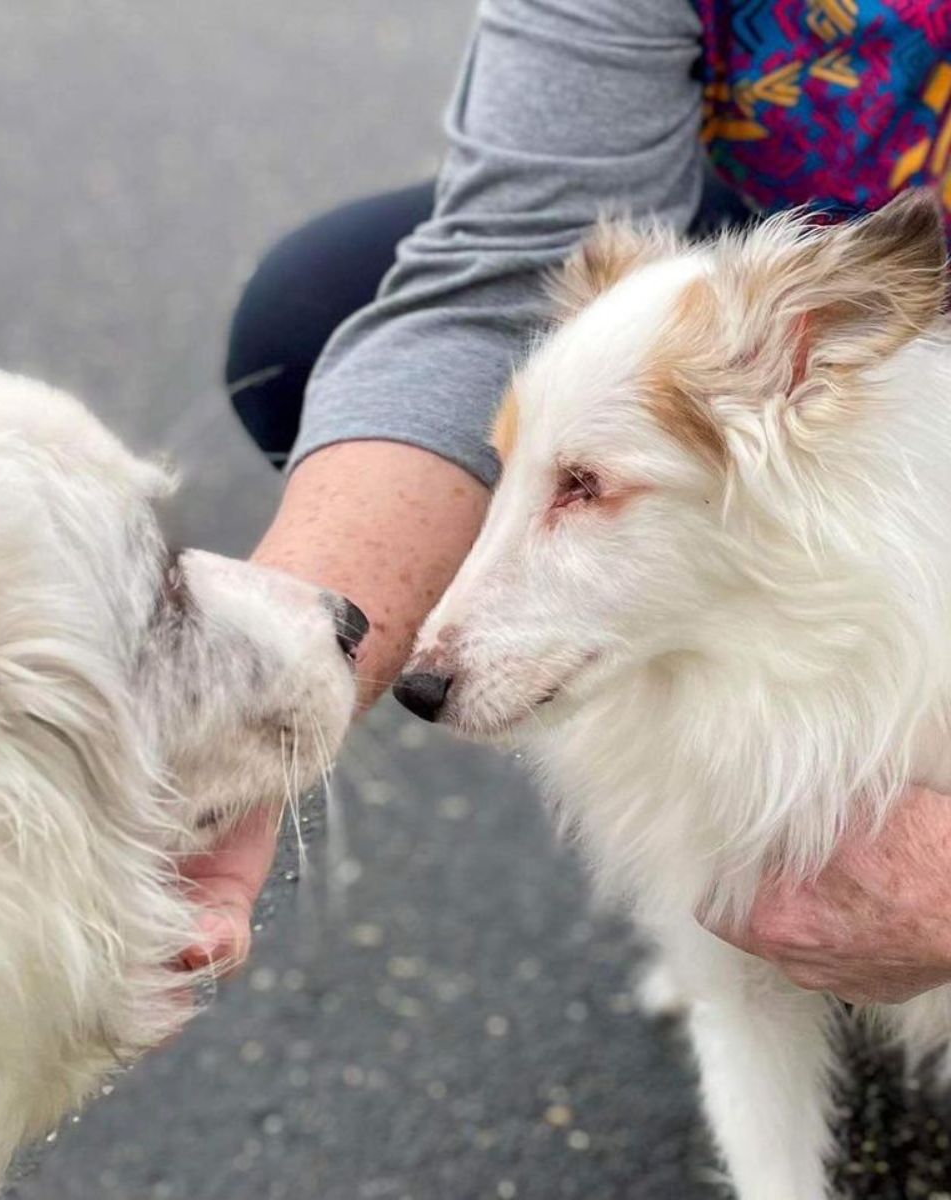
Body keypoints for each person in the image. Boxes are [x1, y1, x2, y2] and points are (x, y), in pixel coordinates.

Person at [182, 0, 951, 1008]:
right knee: (313, 315)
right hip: (834, 272)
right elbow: (496, 286)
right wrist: (264, 702)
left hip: (872, 322)